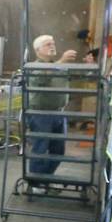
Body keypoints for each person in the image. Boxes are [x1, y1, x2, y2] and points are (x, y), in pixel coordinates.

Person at [26, 35, 76, 180]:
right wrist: (61, 63)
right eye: (47, 44)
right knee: (40, 149)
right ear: (37, 50)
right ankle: (36, 184)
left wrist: (89, 66)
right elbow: (41, 78)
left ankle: (44, 180)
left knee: (58, 151)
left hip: (59, 113)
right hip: (40, 114)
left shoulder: (59, 66)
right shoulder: (34, 66)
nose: (52, 46)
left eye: (53, 43)